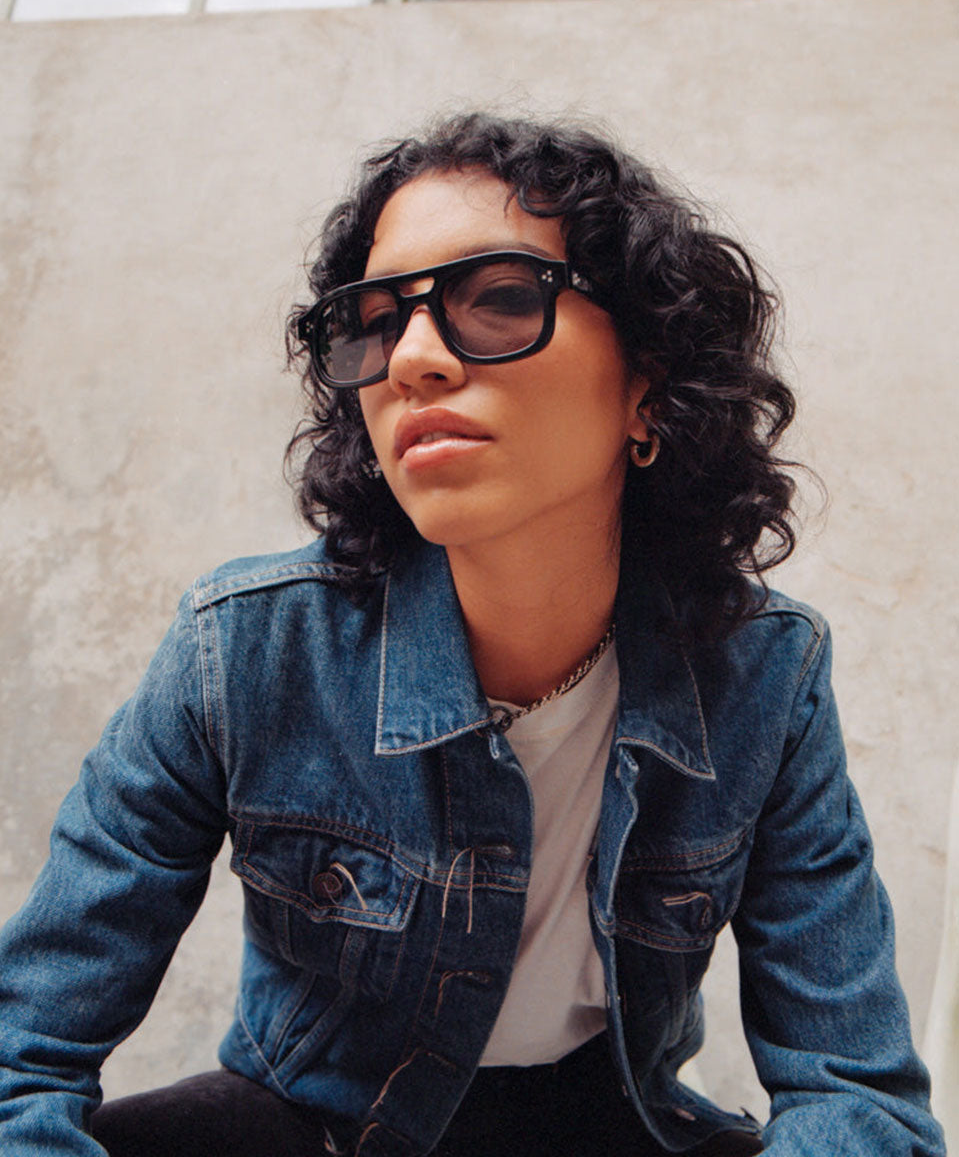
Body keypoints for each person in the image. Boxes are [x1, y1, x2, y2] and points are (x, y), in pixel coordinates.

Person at [0, 113, 944, 1157]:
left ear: (647, 384)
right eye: (372, 322)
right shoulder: (245, 651)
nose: (411, 360)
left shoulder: (762, 675)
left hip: (607, 1128)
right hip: (320, 1126)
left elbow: (855, 1091)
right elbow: (19, 1058)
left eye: (497, 299)